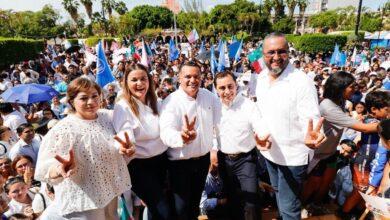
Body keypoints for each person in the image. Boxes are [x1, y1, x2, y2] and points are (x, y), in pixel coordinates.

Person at [34, 77, 132, 219]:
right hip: (83, 202)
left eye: (94, 96)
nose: (91, 102)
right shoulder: (62, 129)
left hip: (110, 194)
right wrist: (59, 169)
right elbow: (43, 167)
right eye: (84, 98)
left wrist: (127, 149)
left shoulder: (107, 117)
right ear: (71, 101)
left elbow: (125, 134)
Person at [254, 33, 323, 220]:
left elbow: (312, 119)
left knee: (289, 208)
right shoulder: (260, 78)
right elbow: (260, 113)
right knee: (279, 197)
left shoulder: (301, 81)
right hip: (270, 153)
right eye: (271, 52)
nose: (276, 57)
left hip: (293, 157)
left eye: (281, 52)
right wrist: (260, 135)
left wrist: (314, 137)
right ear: (263, 54)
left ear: (288, 53)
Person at [303, 71, 379, 204]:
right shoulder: (328, 107)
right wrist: (386, 125)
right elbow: (364, 128)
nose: (354, 89)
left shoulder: (340, 102)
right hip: (319, 155)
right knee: (313, 184)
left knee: (326, 182)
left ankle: (316, 206)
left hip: (330, 153)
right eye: (351, 86)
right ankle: (300, 207)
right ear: (340, 87)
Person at [160, 61, 221, 220]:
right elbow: (165, 132)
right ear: (179, 78)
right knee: (181, 208)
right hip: (180, 165)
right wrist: (182, 137)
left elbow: (219, 124)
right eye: (188, 76)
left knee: (194, 206)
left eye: (196, 76)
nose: (192, 80)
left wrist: (214, 148)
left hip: (202, 162)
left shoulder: (209, 97)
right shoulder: (171, 102)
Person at [113, 64, 170, 220]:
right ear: (126, 83)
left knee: (154, 208)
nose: (140, 83)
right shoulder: (123, 107)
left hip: (162, 162)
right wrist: (126, 146)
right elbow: (125, 133)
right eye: (134, 80)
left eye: (143, 79)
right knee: (162, 209)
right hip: (140, 166)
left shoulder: (157, 102)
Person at [213, 71, 271, 220]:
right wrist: (213, 149)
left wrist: (262, 136)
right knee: (232, 200)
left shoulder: (248, 105)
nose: (227, 91)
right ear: (216, 89)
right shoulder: (213, 107)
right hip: (224, 160)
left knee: (251, 201)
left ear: (236, 86)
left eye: (230, 86)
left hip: (245, 159)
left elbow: (259, 125)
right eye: (222, 88)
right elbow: (211, 131)